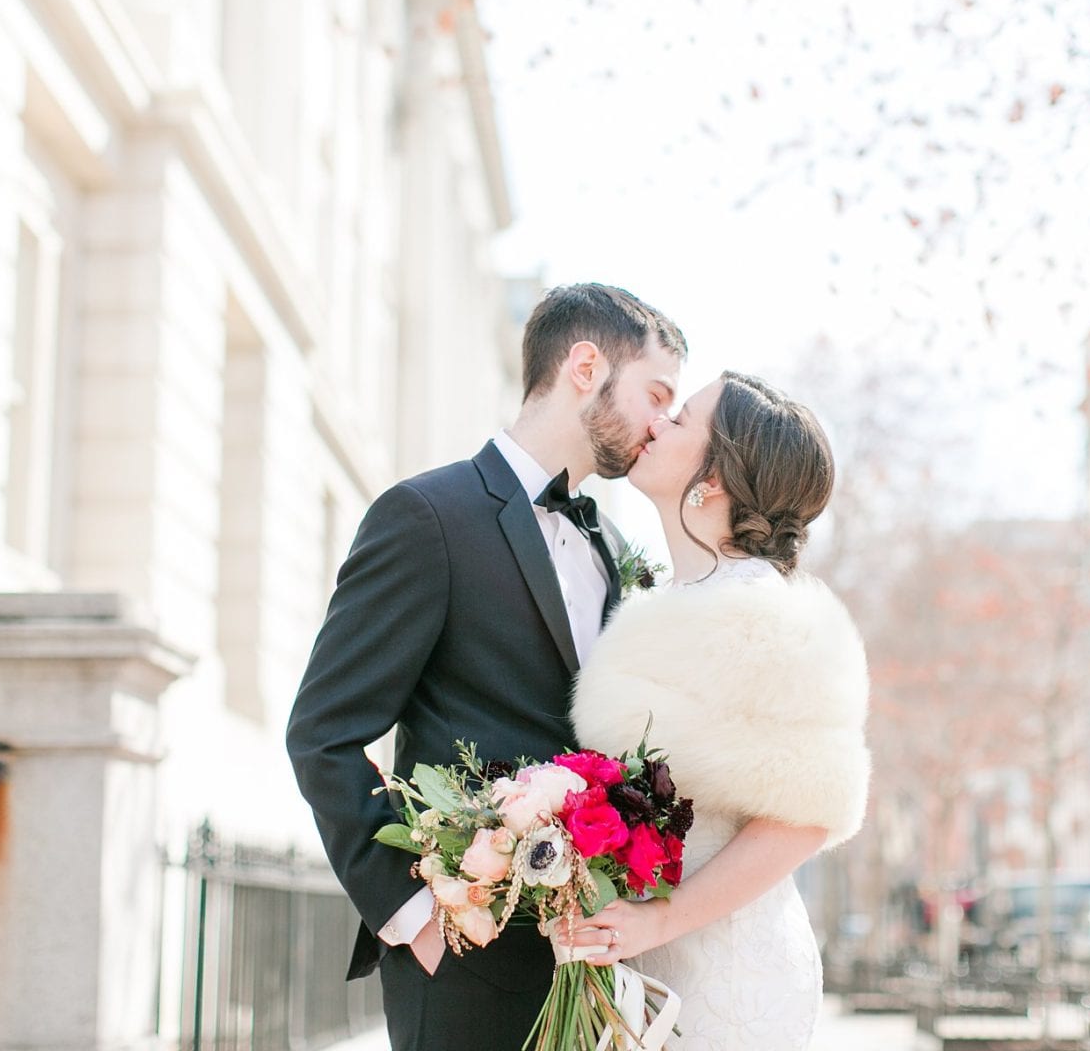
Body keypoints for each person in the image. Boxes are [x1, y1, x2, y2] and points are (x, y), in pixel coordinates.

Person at [285, 284, 686, 1051]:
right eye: (656, 395)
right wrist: (418, 920)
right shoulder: (427, 517)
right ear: (584, 365)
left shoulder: (613, 548)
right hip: (462, 969)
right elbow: (323, 735)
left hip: (584, 968)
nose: (661, 424)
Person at [567, 371, 871, 1050]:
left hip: (730, 972)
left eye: (680, 421)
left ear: (715, 480)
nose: (655, 424)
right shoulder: (657, 605)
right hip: (648, 965)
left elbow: (801, 820)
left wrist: (658, 922)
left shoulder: (771, 617)